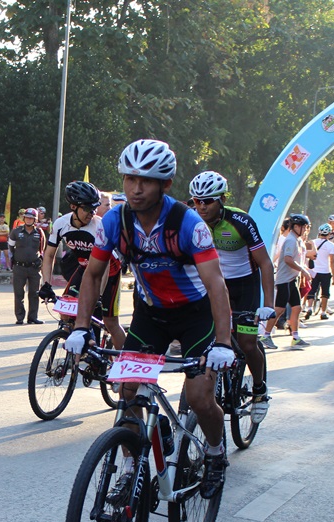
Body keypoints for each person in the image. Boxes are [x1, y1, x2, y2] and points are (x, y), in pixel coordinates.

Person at [66, 139, 235, 491]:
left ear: (165, 184)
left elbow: (216, 284)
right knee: (128, 391)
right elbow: (93, 275)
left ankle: (215, 452)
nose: (136, 189)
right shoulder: (114, 220)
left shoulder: (189, 224)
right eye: (130, 179)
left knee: (200, 397)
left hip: (195, 315)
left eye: (146, 181)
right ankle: (131, 469)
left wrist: (223, 342)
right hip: (151, 313)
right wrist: (81, 327)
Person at [188, 170, 274, 422]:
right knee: (206, 340)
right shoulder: (191, 220)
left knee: (247, 344)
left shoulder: (241, 221)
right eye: (197, 201)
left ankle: (259, 390)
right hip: (216, 285)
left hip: (245, 287)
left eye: (208, 201)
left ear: (222, 199)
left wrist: (268, 305)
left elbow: (265, 263)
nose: (202, 207)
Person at [40, 180, 102, 299]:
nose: (92, 213)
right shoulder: (61, 224)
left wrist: (100, 295)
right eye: (87, 208)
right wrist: (46, 285)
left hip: (107, 271)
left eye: (94, 208)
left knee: (100, 309)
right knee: (66, 302)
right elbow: (49, 255)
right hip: (84, 268)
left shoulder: (99, 226)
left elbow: (106, 264)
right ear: (73, 206)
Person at [263, 214, 312, 348]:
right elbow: (288, 259)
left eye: (306, 227)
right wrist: (303, 270)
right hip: (284, 280)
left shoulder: (298, 240)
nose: (305, 230)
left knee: (297, 307)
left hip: (292, 279)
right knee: (279, 309)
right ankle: (265, 335)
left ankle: (295, 337)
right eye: (303, 227)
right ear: (295, 227)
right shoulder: (290, 240)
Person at [9, 208, 44, 324]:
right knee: (19, 293)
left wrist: (40, 261)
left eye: (31, 218)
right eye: (27, 218)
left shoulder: (39, 232)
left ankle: (33, 317)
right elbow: (11, 247)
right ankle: (20, 317)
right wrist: (16, 258)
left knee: (34, 293)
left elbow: (42, 249)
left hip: (34, 268)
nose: (29, 220)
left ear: (35, 220)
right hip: (19, 267)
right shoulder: (16, 231)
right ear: (24, 218)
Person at [306, 223, 334, 320]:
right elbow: (332, 261)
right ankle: (323, 312)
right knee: (325, 293)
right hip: (325, 271)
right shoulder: (331, 245)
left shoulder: (312, 242)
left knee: (312, 290)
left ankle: (309, 308)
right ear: (329, 233)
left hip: (313, 271)